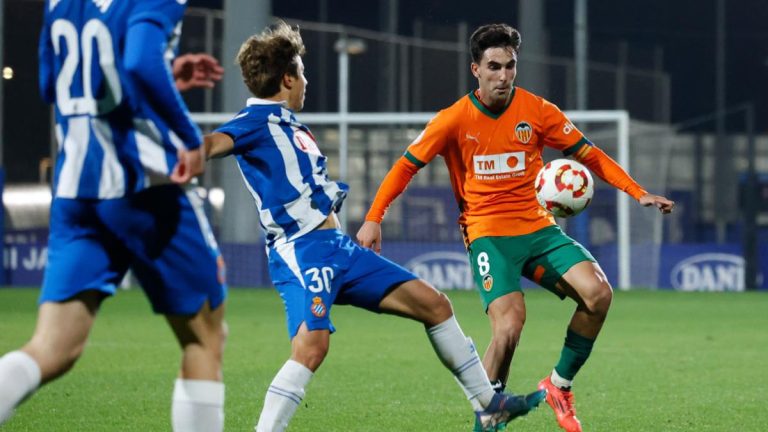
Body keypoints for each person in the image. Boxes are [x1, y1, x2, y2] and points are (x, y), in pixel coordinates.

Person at [203, 21, 545, 432]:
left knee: (435, 305)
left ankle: (489, 404)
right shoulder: (255, 121)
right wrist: (179, 152)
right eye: (303, 73)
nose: (306, 82)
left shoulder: (287, 121)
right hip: (302, 249)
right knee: (312, 347)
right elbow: (212, 145)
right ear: (288, 78)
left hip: (339, 248)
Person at [356, 23, 675, 432]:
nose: (503, 75)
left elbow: (588, 154)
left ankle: (559, 385)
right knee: (509, 327)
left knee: (598, 294)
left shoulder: (539, 111)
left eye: (510, 66)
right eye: (494, 67)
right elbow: (405, 167)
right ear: (476, 69)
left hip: (539, 229)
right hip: (487, 233)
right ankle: (488, 420)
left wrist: (637, 191)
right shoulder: (452, 120)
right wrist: (373, 217)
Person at [0, 1, 227, 431]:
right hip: (143, 187)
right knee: (204, 336)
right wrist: (189, 137)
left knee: (52, 347)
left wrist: (162, 77)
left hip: (75, 191)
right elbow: (140, 59)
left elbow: (52, 84)